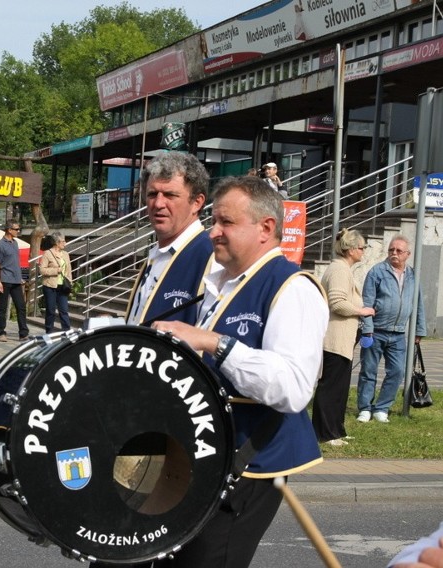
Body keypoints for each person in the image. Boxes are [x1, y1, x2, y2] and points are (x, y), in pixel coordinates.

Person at [152, 175, 328, 567]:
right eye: (213, 220)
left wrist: (217, 344)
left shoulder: (293, 287)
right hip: (207, 459)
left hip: (252, 463)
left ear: (266, 228)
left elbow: (294, 387)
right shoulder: (221, 282)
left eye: (225, 222)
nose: (213, 232)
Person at [125, 151, 213, 326]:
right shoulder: (157, 255)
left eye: (170, 195)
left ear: (197, 202)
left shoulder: (211, 258)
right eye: (152, 194)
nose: (158, 204)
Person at [312, 229, 376, 446]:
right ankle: (325, 433)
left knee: (339, 388)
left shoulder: (343, 268)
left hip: (342, 340)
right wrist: (363, 311)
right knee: (331, 387)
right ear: (350, 250)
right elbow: (337, 303)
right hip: (334, 339)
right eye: (361, 247)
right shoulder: (339, 270)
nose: (364, 251)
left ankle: (336, 430)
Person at [357, 234, 426, 423]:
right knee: (368, 371)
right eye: (391, 250)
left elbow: (418, 303)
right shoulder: (377, 272)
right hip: (376, 330)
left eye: (398, 251)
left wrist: (419, 330)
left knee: (397, 371)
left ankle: (382, 408)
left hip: (398, 334)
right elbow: (367, 303)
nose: (394, 253)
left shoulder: (413, 275)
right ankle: (364, 408)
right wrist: (367, 329)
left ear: (408, 254)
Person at [0, 221, 29, 342]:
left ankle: (23, 333)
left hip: (16, 281)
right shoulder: (0, 244)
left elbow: (14, 262)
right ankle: (1, 332)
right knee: (2, 308)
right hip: (5, 279)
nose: (18, 231)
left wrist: (19, 277)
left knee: (21, 306)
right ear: (9, 230)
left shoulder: (15, 243)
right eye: (16, 229)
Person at [39, 231, 72, 333]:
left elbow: (68, 270)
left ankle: (67, 332)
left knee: (64, 310)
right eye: (63, 241)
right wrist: (55, 271)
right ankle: (49, 332)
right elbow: (42, 270)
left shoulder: (66, 254)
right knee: (50, 310)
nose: (65, 243)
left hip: (63, 286)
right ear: (56, 242)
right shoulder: (47, 254)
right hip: (50, 286)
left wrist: (70, 282)